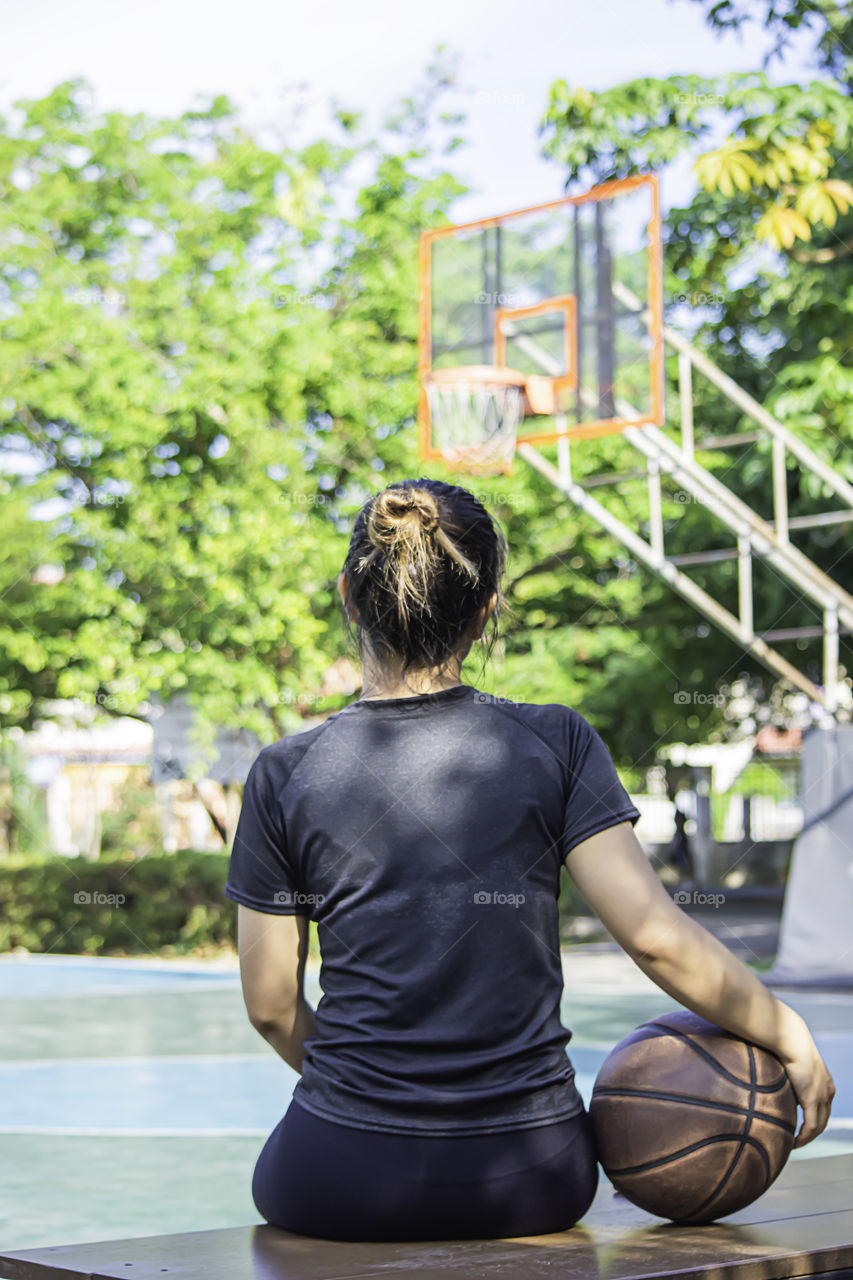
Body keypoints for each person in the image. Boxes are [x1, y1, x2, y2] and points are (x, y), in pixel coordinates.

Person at [224, 478, 834, 1243]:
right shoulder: (555, 741)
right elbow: (654, 937)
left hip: (338, 1178)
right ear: (484, 613)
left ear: (349, 597)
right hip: (532, 1176)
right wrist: (786, 1032)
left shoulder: (285, 771)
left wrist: (373, 1102)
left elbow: (271, 1006)